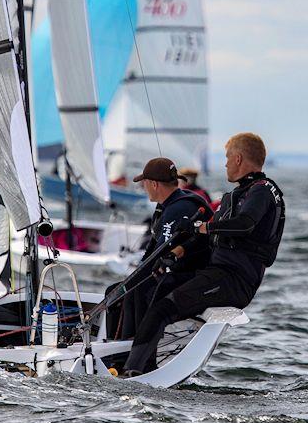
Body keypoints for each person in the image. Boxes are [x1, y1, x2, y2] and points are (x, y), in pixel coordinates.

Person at [120, 132, 285, 376]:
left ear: (238, 159)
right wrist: (179, 250)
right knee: (151, 290)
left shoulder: (262, 191)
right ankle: (136, 362)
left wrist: (202, 226)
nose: (225, 163)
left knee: (162, 309)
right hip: (215, 273)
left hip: (234, 280)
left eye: (228, 157)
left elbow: (245, 224)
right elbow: (208, 236)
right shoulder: (238, 194)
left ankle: (134, 373)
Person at [106, 157, 213, 340]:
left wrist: (134, 281)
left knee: (138, 290)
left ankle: (134, 346)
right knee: (115, 291)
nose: (143, 187)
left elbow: (162, 252)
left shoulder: (179, 208)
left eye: (144, 183)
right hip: (178, 272)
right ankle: (115, 345)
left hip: (193, 275)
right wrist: (131, 278)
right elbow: (152, 251)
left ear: (154, 184)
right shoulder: (166, 205)